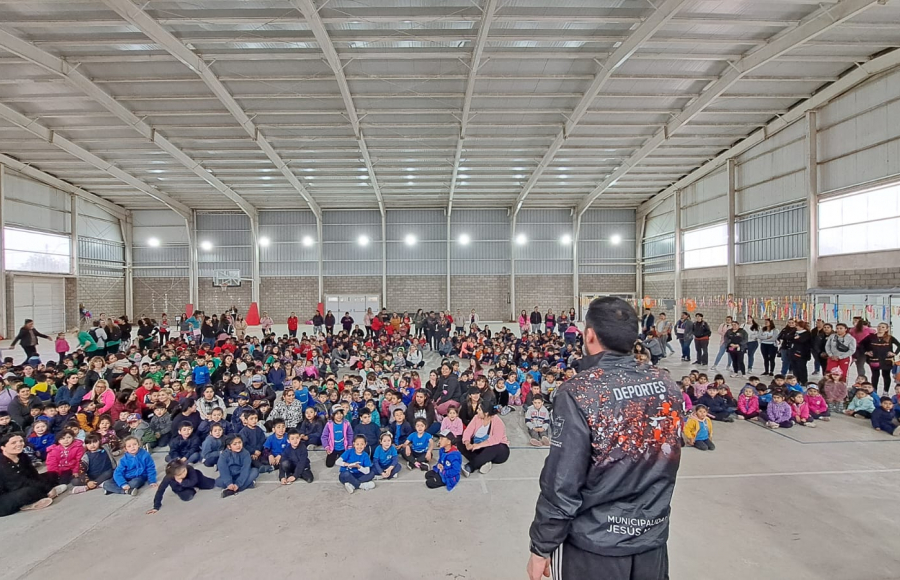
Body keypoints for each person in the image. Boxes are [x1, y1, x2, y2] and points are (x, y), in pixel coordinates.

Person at [527, 297, 683, 580]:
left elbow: (563, 482)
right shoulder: (667, 385)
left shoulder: (579, 392)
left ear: (589, 335)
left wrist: (541, 545)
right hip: (652, 540)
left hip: (594, 545)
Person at [0, 432, 69, 516]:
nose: (19, 444)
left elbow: (34, 475)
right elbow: (20, 483)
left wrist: (44, 485)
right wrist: (47, 488)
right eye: (13, 443)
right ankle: (41, 497)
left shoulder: (23, 456)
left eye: (21, 441)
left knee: (52, 475)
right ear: (3, 447)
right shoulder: (2, 463)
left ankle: (41, 496)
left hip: (24, 486)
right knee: (28, 491)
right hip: (6, 496)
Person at [461, 400, 510, 477]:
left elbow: (495, 439)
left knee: (494, 448)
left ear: (486, 413)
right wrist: (467, 443)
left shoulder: (498, 422)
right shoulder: (476, 418)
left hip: (496, 449)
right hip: (479, 446)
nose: (477, 411)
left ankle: (470, 466)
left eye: (479, 409)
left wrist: (479, 445)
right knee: (460, 441)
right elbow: (468, 431)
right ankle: (484, 462)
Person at [147, 460, 215, 514]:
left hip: (195, 479)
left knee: (211, 484)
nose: (184, 474)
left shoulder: (188, 468)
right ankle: (193, 489)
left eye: (184, 471)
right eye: (180, 474)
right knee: (187, 497)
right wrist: (156, 506)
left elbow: (193, 481)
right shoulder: (169, 477)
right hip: (180, 487)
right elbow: (160, 490)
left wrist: (182, 481)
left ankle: (194, 487)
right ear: (174, 475)